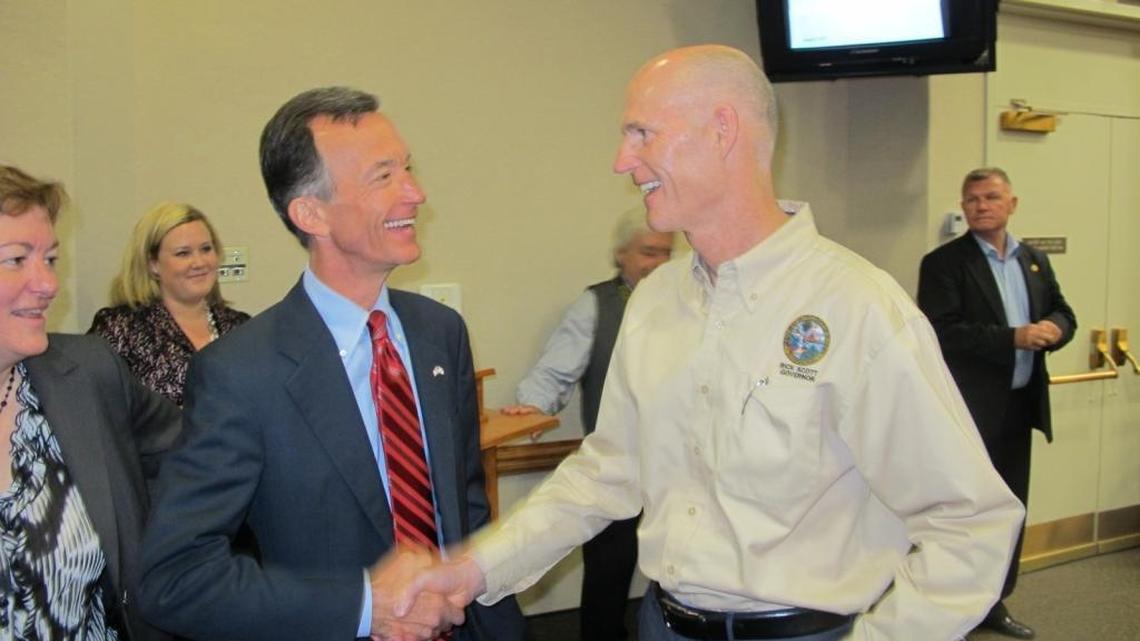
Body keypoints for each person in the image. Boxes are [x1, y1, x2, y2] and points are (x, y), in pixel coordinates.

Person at [397, 45, 1025, 641]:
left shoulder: (859, 306)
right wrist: (475, 568)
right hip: (663, 624)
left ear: (723, 130)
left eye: (643, 133)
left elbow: (971, 522)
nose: (622, 160)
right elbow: (607, 471)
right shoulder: (656, 300)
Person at [136, 87, 525, 641]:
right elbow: (174, 579)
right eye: (383, 176)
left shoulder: (440, 335)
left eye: (408, 169)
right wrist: (367, 605)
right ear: (310, 213)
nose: (415, 193)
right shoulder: (242, 373)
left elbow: (465, 514)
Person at [0, 165, 180, 640]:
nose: (47, 284)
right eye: (16, 259)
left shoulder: (86, 375)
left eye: (51, 259)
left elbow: (199, 458)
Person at [917, 167, 1076, 640]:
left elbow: (1064, 311)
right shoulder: (944, 263)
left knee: (1012, 509)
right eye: (971, 200)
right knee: (966, 514)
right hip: (970, 412)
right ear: (963, 208)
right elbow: (940, 331)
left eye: (991, 197)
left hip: (1019, 407)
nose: (980, 206)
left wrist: (1055, 331)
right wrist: (1014, 337)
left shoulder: (1033, 261)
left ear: (1012, 204)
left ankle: (995, 600)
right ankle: (955, 606)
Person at [503, 207, 673, 641]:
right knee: (608, 578)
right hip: (616, 467)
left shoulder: (689, 303)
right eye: (649, 252)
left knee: (677, 581)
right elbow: (555, 372)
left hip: (677, 470)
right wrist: (532, 407)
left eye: (667, 254)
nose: (659, 264)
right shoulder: (594, 304)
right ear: (622, 254)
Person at [89, 202, 250, 406]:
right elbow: (95, 409)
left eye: (206, 249)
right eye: (183, 253)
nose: (199, 262)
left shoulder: (241, 327)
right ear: (153, 264)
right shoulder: (120, 328)